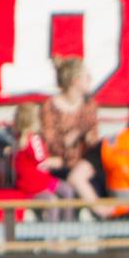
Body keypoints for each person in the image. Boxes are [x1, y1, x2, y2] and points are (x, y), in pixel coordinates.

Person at [41, 55, 102, 204]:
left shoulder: (89, 105)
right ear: (75, 80)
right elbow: (51, 144)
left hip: (84, 167)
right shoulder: (50, 106)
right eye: (86, 76)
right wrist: (75, 135)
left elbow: (93, 141)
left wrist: (85, 137)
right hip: (59, 166)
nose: (90, 79)